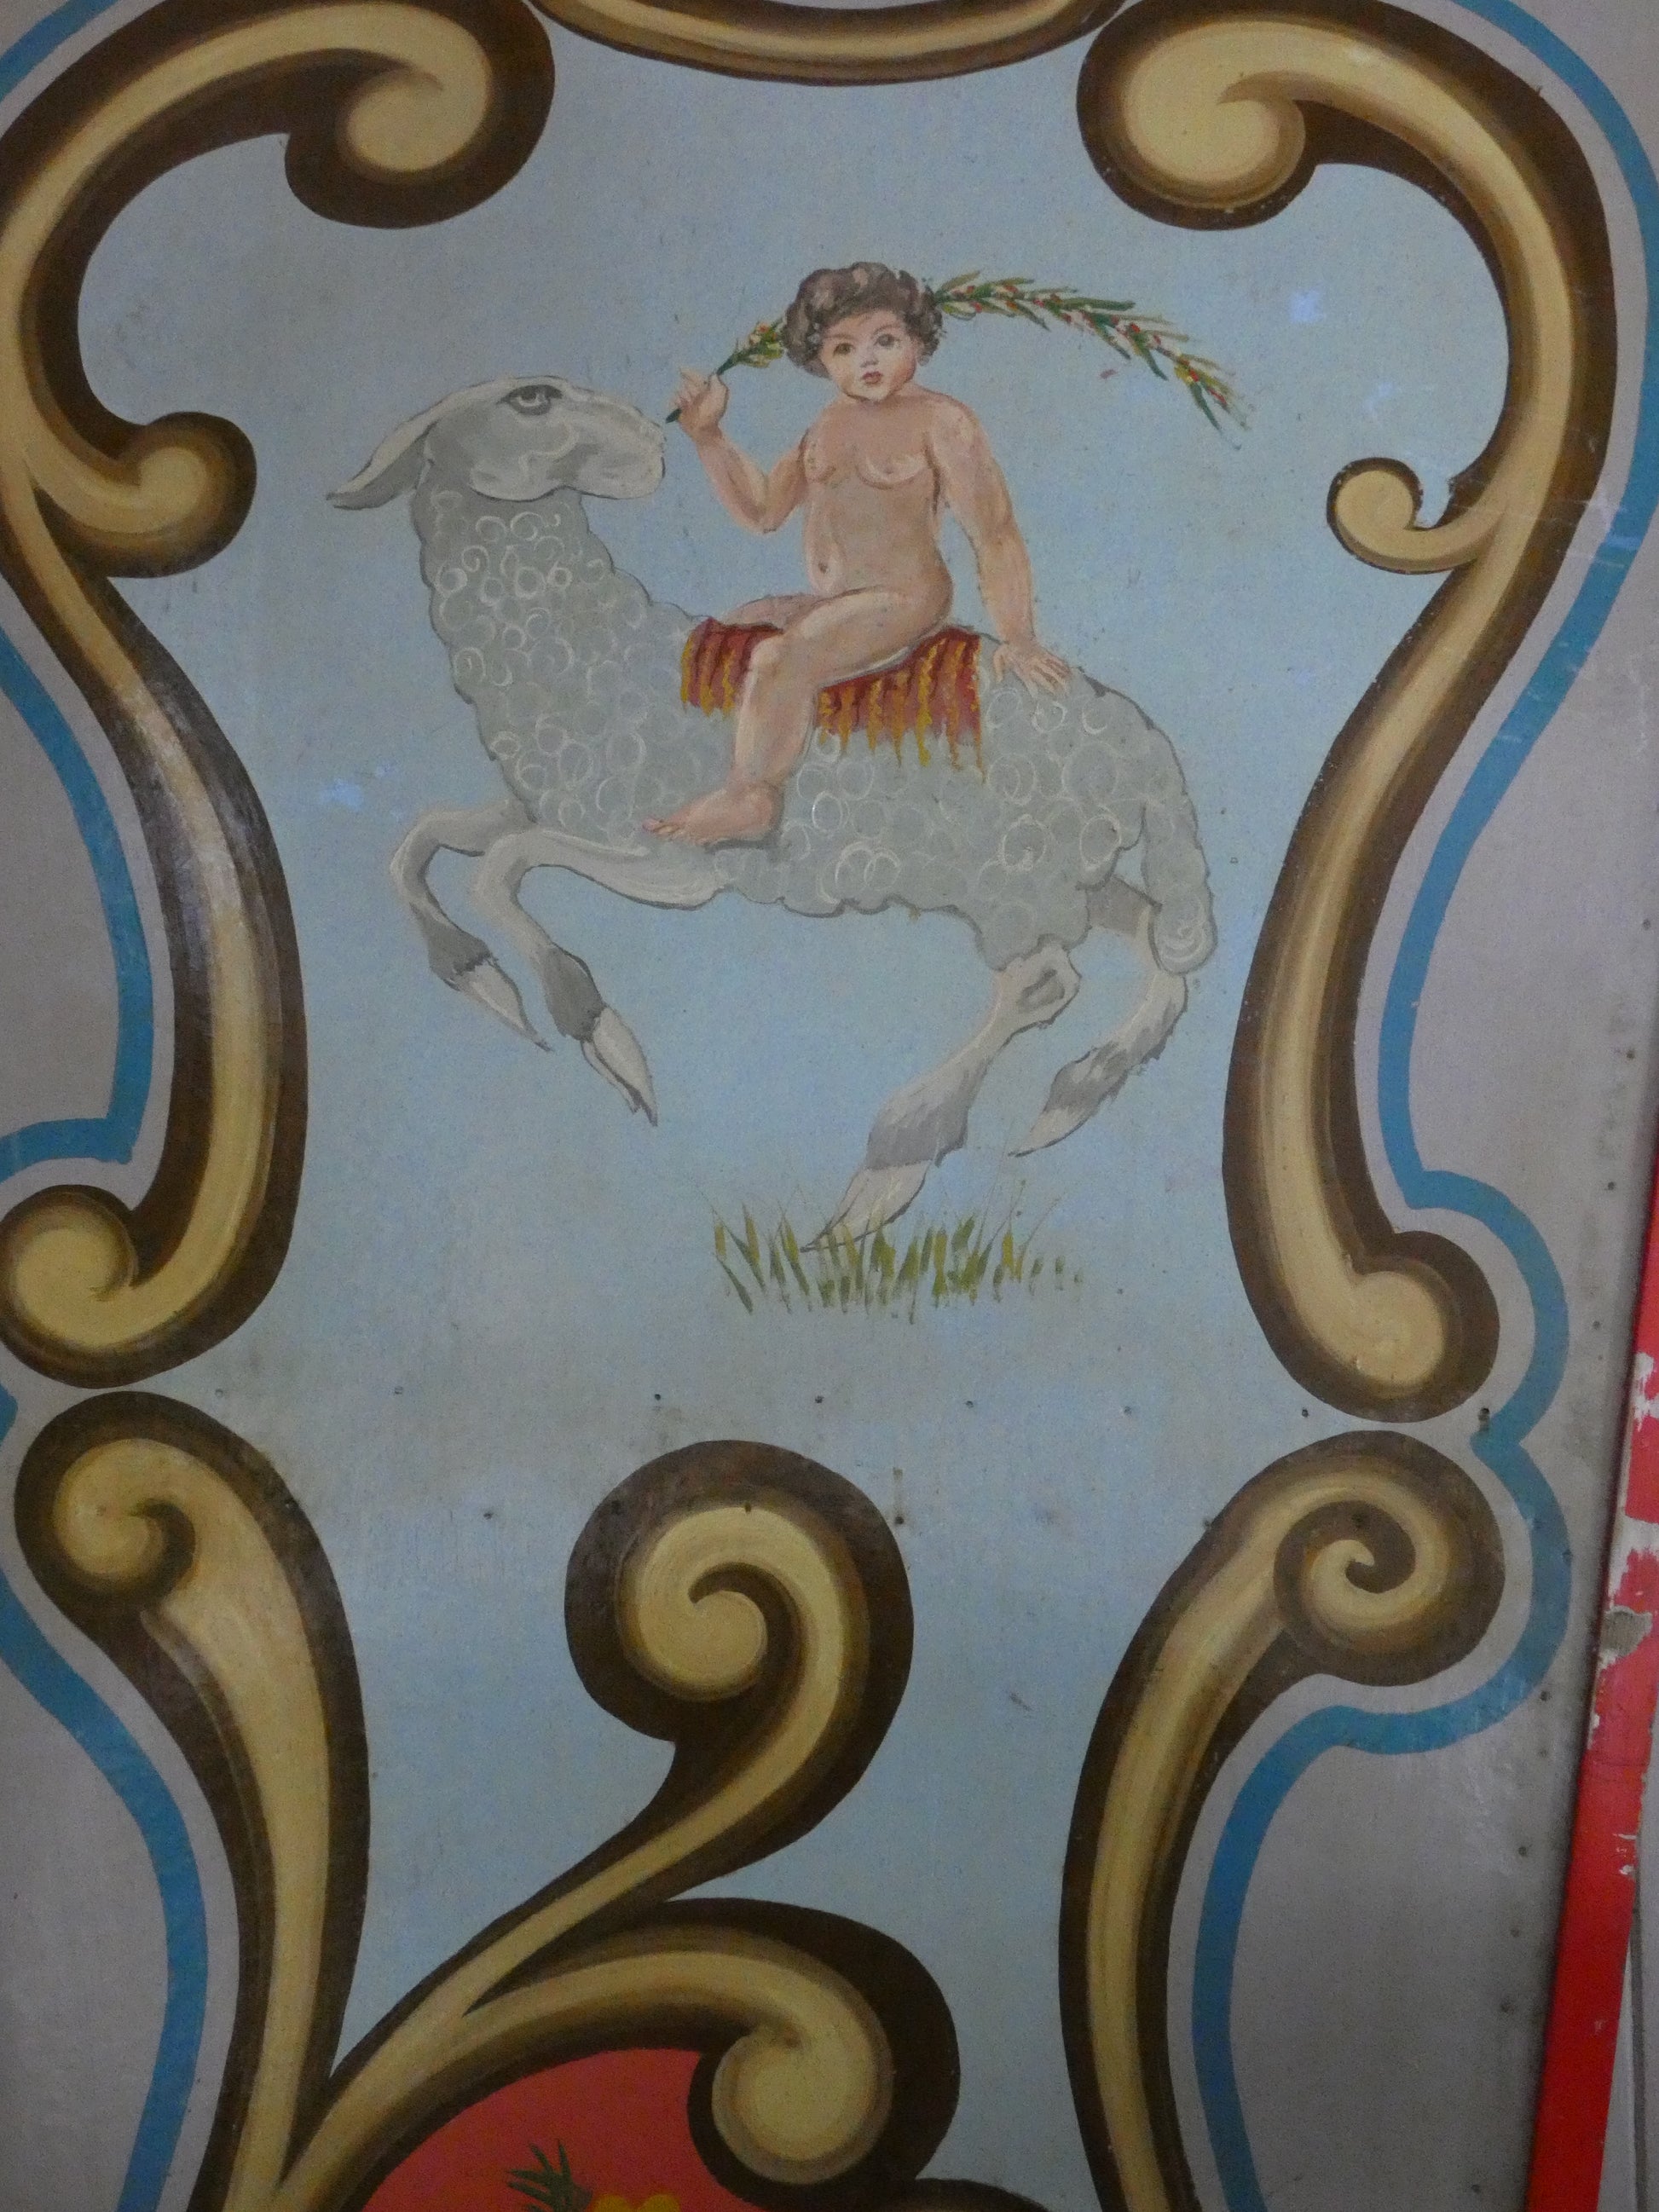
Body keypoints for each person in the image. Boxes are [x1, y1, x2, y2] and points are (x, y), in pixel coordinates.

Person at [645, 262, 1069, 846]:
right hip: (842, 598)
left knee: (778, 658)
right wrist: (709, 436)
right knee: (736, 623)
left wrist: (1019, 636)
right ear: (819, 358)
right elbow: (763, 511)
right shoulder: (826, 424)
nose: (865, 361)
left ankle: (751, 798)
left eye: (885, 341)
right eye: (844, 348)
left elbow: (993, 531)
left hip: (905, 597)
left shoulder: (942, 421)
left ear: (917, 340)